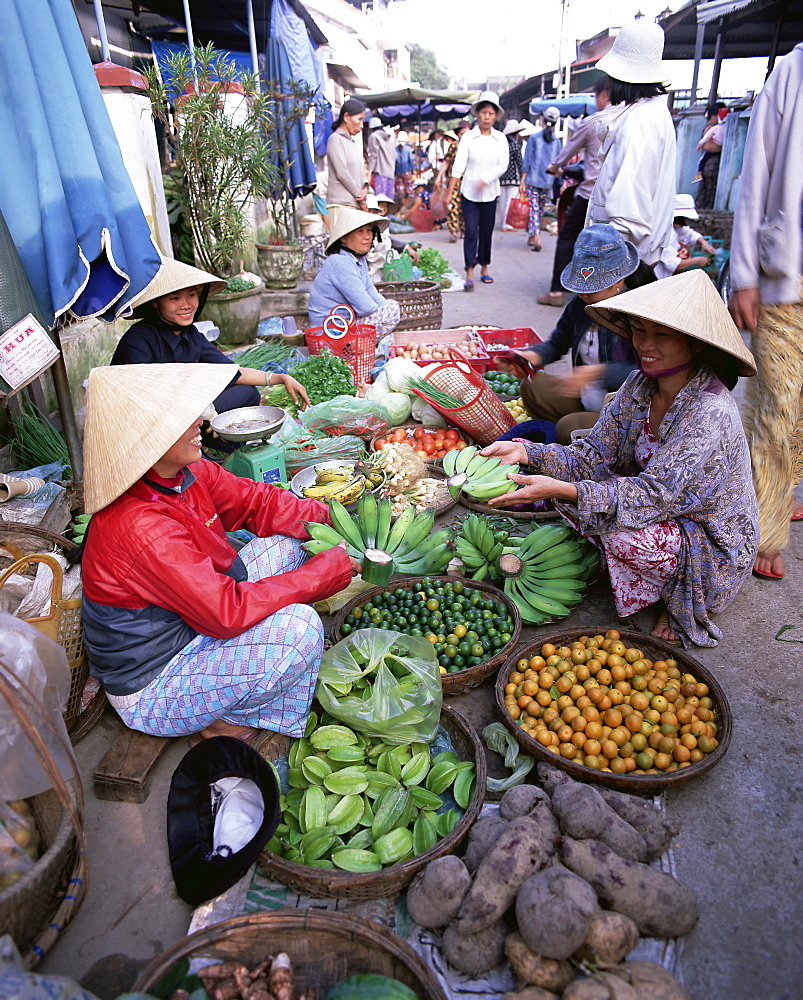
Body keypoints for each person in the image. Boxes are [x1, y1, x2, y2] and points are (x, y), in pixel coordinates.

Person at [80, 363, 360, 742]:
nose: (201, 421)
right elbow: (223, 613)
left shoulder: (181, 474)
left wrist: (336, 521)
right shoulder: (138, 523)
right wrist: (315, 579)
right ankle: (228, 718)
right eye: (184, 417)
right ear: (149, 439)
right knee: (300, 628)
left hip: (191, 624)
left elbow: (256, 503)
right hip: (156, 682)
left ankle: (224, 704)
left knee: (291, 543)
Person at [484, 269, 758, 647]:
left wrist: (569, 490)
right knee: (579, 498)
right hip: (659, 507)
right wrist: (527, 452)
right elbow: (593, 453)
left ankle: (689, 597)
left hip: (708, 541)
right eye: (639, 331)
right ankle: (628, 570)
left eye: (662, 334)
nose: (645, 344)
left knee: (613, 526)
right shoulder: (638, 385)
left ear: (695, 344)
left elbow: (653, 496)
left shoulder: (709, 410)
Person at [729, 42, 803, 581]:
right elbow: (755, 177)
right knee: (779, 399)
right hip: (788, 276)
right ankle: (765, 528)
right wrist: (745, 274)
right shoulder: (793, 70)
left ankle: (783, 488)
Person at [499, 225, 646, 444]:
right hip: (585, 396)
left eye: (592, 290)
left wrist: (597, 372)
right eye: (581, 289)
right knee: (533, 386)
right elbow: (558, 343)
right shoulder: (579, 306)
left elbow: (647, 372)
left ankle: (591, 445)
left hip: (621, 412)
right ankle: (579, 439)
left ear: (618, 281)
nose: (584, 295)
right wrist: (533, 356)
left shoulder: (639, 314)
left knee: (568, 427)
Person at [111, 258, 308, 416]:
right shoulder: (138, 340)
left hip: (182, 411)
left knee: (246, 394)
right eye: (174, 298)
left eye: (191, 295)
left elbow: (230, 372)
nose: (186, 305)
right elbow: (140, 402)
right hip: (147, 417)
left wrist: (281, 377)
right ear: (156, 303)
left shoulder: (190, 334)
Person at [587, 20, 676, 272]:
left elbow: (628, 214)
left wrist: (602, 272)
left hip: (622, 260)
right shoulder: (653, 112)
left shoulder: (640, 122)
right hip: (636, 256)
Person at [538, 77, 613, 306]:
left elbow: (567, 152)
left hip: (590, 195)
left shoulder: (594, 121)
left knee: (568, 239)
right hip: (619, 199)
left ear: (603, 95)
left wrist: (554, 167)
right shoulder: (630, 120)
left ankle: (555, 293)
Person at [446, 92, 509, 291]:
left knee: (487, 232)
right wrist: (449, 192)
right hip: (469, 195)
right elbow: (458, 166)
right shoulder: (468, 138)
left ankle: (484, 267)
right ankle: (469, 270)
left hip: (490, 193)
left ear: (495, 116)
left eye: (491, 113)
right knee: (471, 232)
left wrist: (486, 180)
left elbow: (503, 165)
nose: (487, 116)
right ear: (478, 115)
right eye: (483, 112)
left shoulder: (500, 139)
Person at [307, 206, 400, 335]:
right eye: (360, 231)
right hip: (330, 332)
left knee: (391, 306)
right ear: (344, 238)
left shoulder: (359, 261)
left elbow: (370, 290)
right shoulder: (340, 262)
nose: (367, 236)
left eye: (369, 230)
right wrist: (385, 312)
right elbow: (365, 307)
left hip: (345, 325)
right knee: (392, 310)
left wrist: (385, 307)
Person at [520, 108, 562, 252]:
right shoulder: (557, 142)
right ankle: (532, 236)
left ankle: (536, 236)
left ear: (543, 120)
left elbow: (527, 161)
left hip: (532, 180)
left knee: (533, 209)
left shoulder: (534, 138)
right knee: (538, 211)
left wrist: (522, 181)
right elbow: (559, 163)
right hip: (547, 182)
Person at [654, 194, 716, 279]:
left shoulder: (675, 228)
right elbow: (673, 264)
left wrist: (703, 242)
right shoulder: (665, 233)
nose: (687, 222)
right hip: (658, 277)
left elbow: (689, 234)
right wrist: (697, 260)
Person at [364, 192, 418, 282]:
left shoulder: (382, 224)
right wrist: (404, 246)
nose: (383, 208)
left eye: (385, 206)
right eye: (381, 205)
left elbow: (385, 239)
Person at [326, 98, 369, 209]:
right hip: (341, 204)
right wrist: (360, 196)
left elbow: (360, 170)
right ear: (346, 117)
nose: (361, 125)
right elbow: (342, 173)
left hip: (355, 204)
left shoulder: (352, 142)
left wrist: (365, 187)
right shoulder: (335, 140)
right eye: (359, 120)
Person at [438, 123, 470, 243]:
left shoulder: (473, 147)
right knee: (452, 206)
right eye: (462, 134)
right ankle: (453, 231)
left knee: (465, 208)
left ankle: (464, 230)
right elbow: (446, 162)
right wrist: (439, 177)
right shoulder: (454, 146)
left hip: (469, 182)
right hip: (454, 181)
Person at [694, 105, 729, 211]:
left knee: (704, 190)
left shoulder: (714, 127)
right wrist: (723, 147)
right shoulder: (711, 128)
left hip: (707, 164)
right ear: (714, 115)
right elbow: (708, 146)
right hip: (712, 164)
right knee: (709, 190)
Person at [497, 119, 524, 232]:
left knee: (502, 202)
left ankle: (503, 222)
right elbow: (520, 163)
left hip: (501, 177)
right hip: (513, 178)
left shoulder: (500, 146)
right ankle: (507, 224)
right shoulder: (515, 146)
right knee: (510, 201)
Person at [366, 117, 396, 201]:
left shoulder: (373, 136)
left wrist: (369, 172)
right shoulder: (389, 138)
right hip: (390, 172)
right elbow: (394, 155)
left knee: (380, 200)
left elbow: (373, 156)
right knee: (389, 201)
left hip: (380, 171)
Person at [394, 131, 415, 208]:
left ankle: (402, 206)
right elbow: (411, 161)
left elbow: (394, 162)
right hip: (407, 171)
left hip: (398, 172)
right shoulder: (408, 149)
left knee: (401, 190)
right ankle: (408, 207)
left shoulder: (395, 149)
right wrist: (413, 171)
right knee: (409, 189)